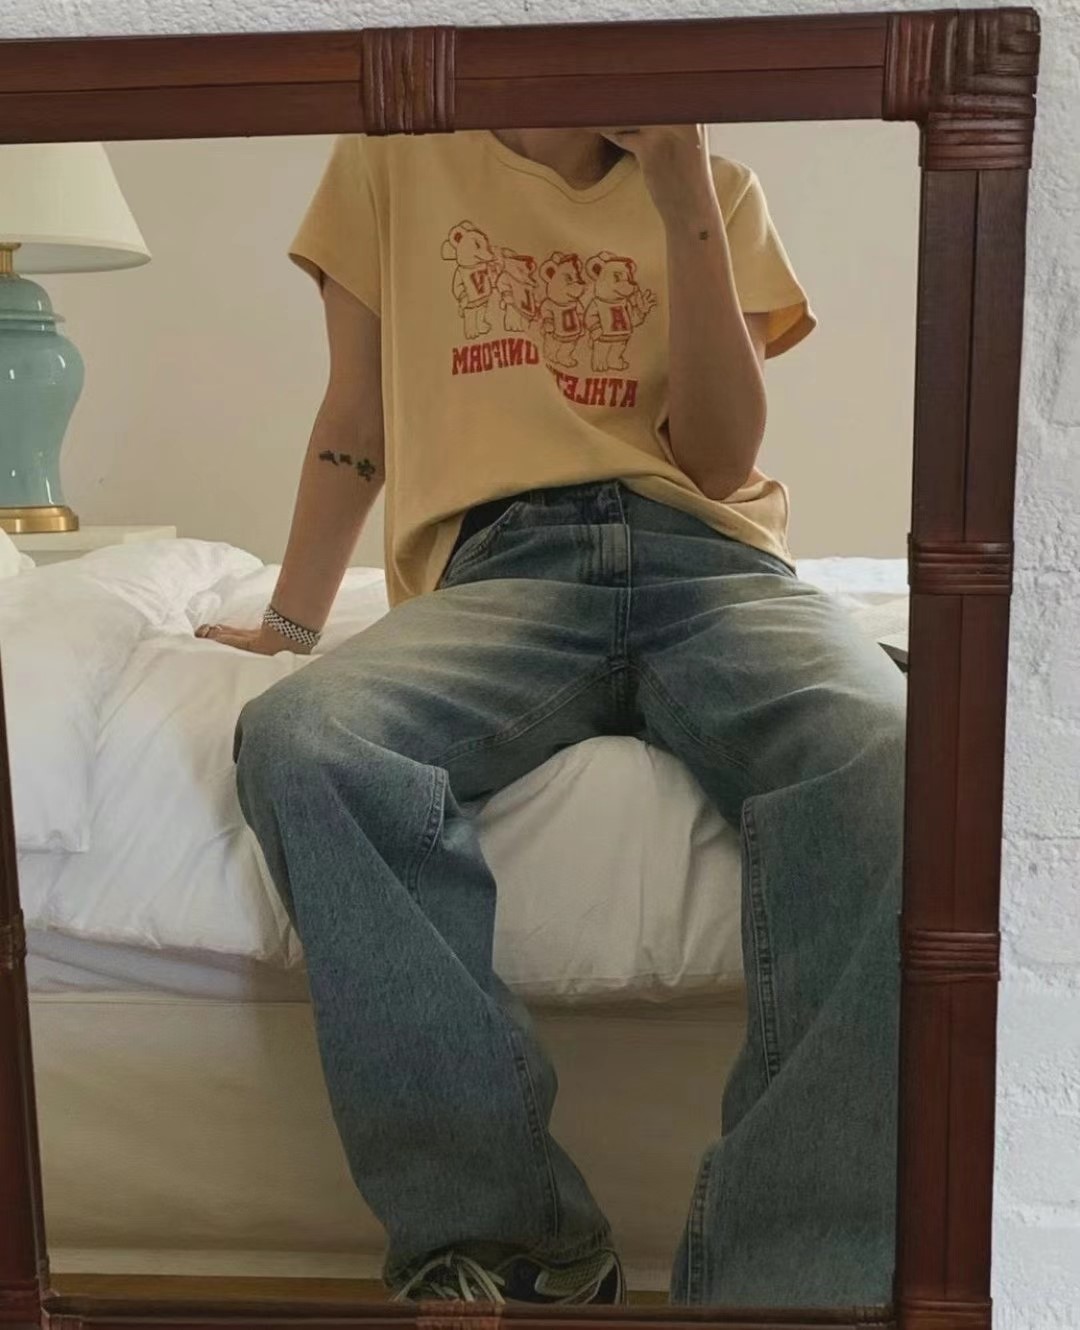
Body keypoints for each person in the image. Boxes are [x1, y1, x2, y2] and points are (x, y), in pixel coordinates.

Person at [198, 126, 905, 1310]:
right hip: (504, 569)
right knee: (304, 739)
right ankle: (512, 1246)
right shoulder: (392, 160)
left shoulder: (718, 188)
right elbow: (358, 416)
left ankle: (789, 1286)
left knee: (897, 755)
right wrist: (289, 620)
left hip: (713, 562)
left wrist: (681, 193)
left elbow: (720, 461)